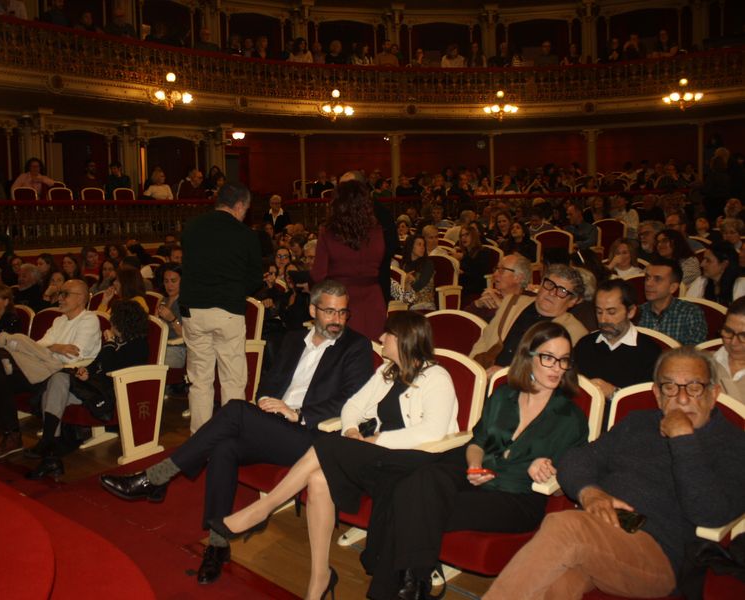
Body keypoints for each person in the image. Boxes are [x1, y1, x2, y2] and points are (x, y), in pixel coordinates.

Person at [219, 320, 587, 600]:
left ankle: (403, 582)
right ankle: (411, 584)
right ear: (528, 357)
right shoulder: (504, 397)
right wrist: (475, 464)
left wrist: (542, 469)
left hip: (515, 497)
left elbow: (567, 474)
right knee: (414, 487)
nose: (556, 367)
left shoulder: (569, 417)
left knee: (410, 493)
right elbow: (477, 442)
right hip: (473, 475)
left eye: (563, 360)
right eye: (548, 357)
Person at [100, 280, 373, 582]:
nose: (337, 320)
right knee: (223, 446)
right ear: (312, 310)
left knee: (234, 410)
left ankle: (158, 477)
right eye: (329, 312)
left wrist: (298, 414)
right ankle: (217, 544)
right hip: (276, 425)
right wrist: (267, 402)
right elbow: (270, 380)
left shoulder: (356, 346)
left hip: (314, 437)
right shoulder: (294, 339)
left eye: (342, 312)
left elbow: (351, 399)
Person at [485, 346, 745, 600]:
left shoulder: (733, 444)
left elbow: (711, 512)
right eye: (670, 387)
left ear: (713, 393)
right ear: (657, 394)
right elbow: (577, 458)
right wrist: (590, 493)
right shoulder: (637, 423)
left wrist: (683, 439)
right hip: (600, 531)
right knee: (560, 582)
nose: (683, 398)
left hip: (659, 554)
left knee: (565, 526)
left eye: (694, 387)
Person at [0, 279, 102, 456]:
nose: (59, 298)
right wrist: (55, 348)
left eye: (64, 294)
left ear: (81, 298)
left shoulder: (89, 320)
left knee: (0, 371)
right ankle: (9, 433)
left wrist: (48, 350)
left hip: (64, 376)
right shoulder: (59, 320)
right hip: (42, 370)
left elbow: (74, 355)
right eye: (59, 293)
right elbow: (38, 345)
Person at [26, 299, 149, 479]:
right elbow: (97, 364)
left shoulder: (138, 345)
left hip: (112, 394)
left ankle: (49, 448)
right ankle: (51, 455)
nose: (111, 322)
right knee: (54, 387)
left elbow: (110, 368)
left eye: (114, 318)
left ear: (122, 322)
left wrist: (109, 343)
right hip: (94, 389)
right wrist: (86, 371)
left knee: (56, 384)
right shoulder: (117, 341)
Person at [181, 182, 263, 432]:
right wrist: (235, 290)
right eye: (245, 210)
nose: (244, 215)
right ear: (238, 205)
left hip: (194, 310)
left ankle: (200, 438)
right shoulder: (245, 235)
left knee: (200, 380)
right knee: (232, 379)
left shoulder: (192, 227)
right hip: (228, 310)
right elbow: (255, 279)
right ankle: (230, 436)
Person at [470, 264, 588, 373]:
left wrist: (506, 374)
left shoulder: (574, 332)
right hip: (485, 374)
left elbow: (555, 373)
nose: (552, 293)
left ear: (573, 301)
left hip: (524, 384)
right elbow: (484, 340)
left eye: (562, 291)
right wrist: (474, 369)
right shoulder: (512, 302)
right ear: (541, 284)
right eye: (549, 284)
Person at [311, 180, 386, 340]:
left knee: (341, 352)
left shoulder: (328, 232)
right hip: (373, 300)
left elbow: (318, 274)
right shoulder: (377, 231)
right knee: (374, 351)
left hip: (340, 303)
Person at [574, 279, 662, 406]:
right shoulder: (584, 344)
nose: (603, 319)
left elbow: (650, 404)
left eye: (611, 312)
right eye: (599, 312)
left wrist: (614, 394)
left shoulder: (650, 352)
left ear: (630, 312)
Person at [638, 259, 707, 346]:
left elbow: (694, 351)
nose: (648, 284)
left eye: (657, 279)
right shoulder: (638, 312)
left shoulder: (690, 313)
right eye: (647, 278)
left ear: (673, 287)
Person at [391, 234, 436, 310]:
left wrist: (406, 286)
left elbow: (420, 284)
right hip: (407, 302)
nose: (422, 247)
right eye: (419, 244)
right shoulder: (405, 264)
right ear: (411, 246)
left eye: (423, 245)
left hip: (424, 304)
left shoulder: (428, 264)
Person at [452, 225, 490, 300]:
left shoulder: (483, 251)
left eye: (467, 234)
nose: (463, 238)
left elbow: (479, 273)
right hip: (463, 285)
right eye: (461, 235)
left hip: (476, 287)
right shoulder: (465, 253)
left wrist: (463, 271)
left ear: (474, 236)